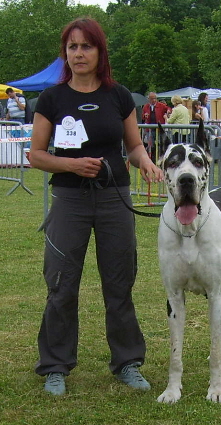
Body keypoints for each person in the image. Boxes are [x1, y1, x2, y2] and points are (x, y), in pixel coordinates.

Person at [29, 17, 163, 396]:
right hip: (69, 200)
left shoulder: (118, 95)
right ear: (65, 54)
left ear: (100, 51)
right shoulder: (51, 99)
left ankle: (128, 362)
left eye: (86, 46)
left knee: (119, 283)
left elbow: (133, 146)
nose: (78, 53)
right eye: (72, 47)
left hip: (113, 198)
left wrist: (146, 161)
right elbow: (36, 155)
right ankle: (55, 366)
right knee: (61, 285)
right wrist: (71, 165)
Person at [142, 92, 170, 160]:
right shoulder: (145, 106)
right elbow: (142, 116)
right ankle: (152, 159)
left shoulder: (161, 105)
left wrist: (168, 111)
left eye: (155, 98)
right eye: (152, 99)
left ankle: (161, 158)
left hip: (159, 128)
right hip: (150, 129)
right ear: (148, 99)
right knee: (151, 145)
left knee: (162, 144)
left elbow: (168, 108)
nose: (154, 100)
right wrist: (144, 116)